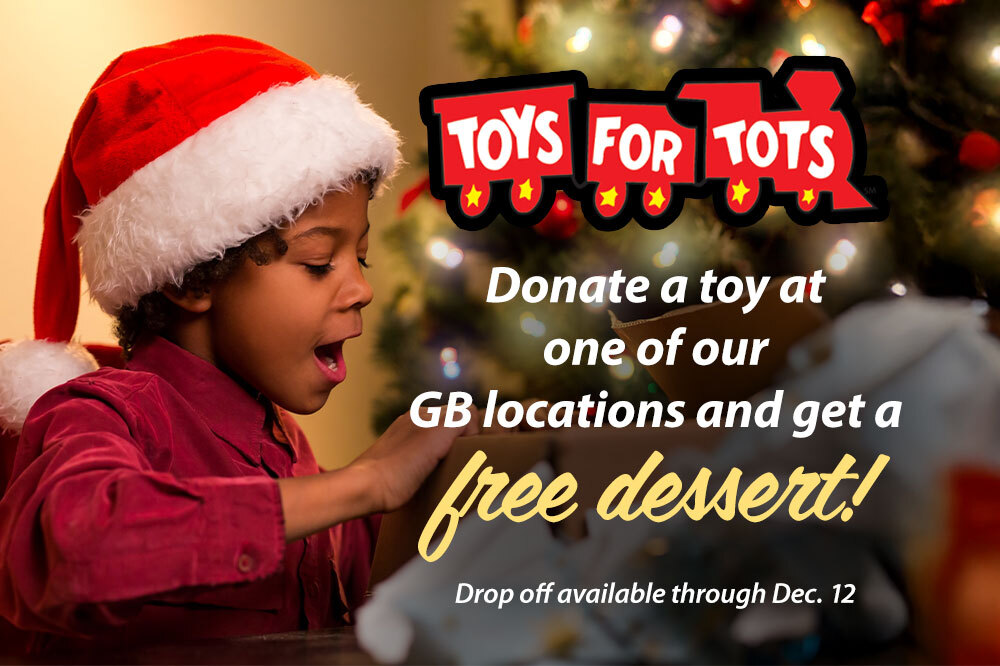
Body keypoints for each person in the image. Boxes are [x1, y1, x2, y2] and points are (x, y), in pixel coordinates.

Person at [0, 34, 479, 653]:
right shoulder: (101, 414)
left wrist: (460, 474)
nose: (361, 289)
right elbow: (72, 547)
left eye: (358, 258)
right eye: (317, 261)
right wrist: (364, 482)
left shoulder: (291, 452)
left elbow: (372, 589)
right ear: (192, 277)